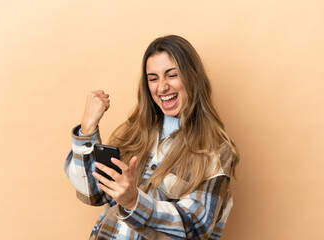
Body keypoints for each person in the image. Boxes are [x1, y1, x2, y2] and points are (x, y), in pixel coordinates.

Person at [64, 35, 239, 239]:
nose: (162, 87)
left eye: (172, 75)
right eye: (153, 78)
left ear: (192, 77)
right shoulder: (134, 134)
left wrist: (133, 202)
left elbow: (196, 227)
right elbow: (92, 193)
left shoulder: (216, 150)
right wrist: (87, 129)